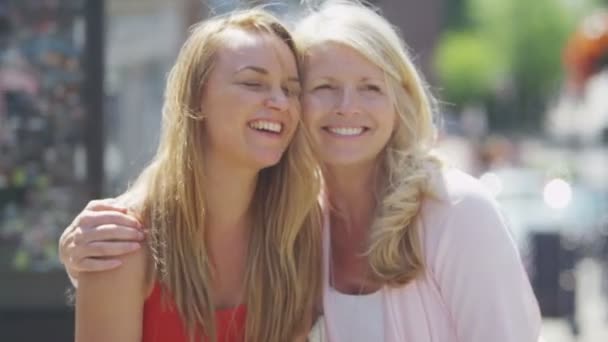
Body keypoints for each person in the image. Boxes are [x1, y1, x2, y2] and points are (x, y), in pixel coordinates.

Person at [61, 1, 542, 341]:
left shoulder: (449, 211)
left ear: (400, 101)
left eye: (371, 87)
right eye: (323, 87)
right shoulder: (300, 226)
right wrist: (83, 249)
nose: (346, 107)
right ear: (196, 100)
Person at [70, 8, 322, 342]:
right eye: (252, 83)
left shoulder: (299, 228)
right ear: (197, 97)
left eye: (290, 90)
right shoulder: (121, 240)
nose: (280, 102)